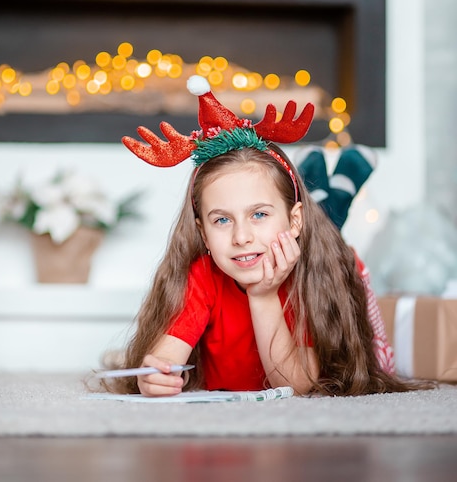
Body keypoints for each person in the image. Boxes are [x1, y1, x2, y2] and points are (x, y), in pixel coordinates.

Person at [102, 76, 427, 398]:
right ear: (202, 230)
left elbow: (298, 386)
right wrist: (154, 377)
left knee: (331, 241)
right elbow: (164, 361)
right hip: (293, 227)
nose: (241, 236)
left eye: (259, 214)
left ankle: (334, 192)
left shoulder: (320, 273)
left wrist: (262, 295)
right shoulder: (202, 276)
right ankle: (326, 190)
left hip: (320, 254)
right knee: (315, 224)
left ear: (293, 220)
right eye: (222, 220)